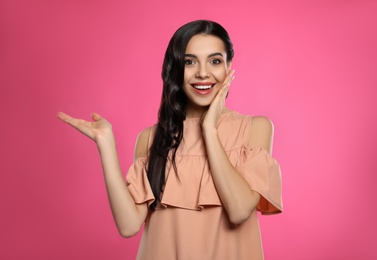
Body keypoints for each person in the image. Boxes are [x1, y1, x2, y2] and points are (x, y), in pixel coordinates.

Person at [58, 20, 282, 260]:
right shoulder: (151, 138)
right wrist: (106, 144)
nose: (203, 72)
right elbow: (129, 225)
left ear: (229, 66)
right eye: (189, 62)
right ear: (175, 68)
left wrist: (209, 130)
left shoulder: (255, 128)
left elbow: (239, 210)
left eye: (215, 61)